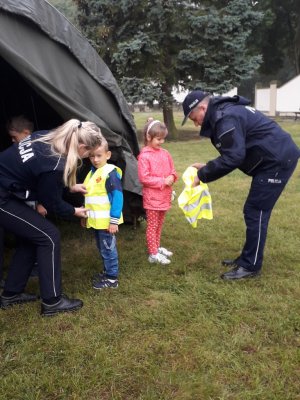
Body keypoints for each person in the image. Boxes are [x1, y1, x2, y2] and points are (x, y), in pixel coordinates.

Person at [182, 90, 300, 280]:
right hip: (271, 158)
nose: (196, 124)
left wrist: (202, 175)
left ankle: (251, 266)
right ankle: (247, 258)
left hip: (276, 161)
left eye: (194, 118)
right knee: (253, 209)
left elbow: (233, 157)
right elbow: (235, 150)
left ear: (203, 108)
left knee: (256, 210)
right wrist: (208, 167)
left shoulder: (225, 117)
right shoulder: (226, 112)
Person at [0, 119, 103, 315]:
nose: (87, 157)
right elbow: (51, 201)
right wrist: (74, 211)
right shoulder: (54, 163)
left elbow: (41, 177)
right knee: (49, 236)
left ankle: (11, 295)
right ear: (81, 147)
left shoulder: (47, 136)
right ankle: (52, 301)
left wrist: (70, 186)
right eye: (88, 153)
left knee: (33, 237)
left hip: (7, 187)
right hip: (3, 197)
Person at [81, 137, 123, 290]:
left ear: (108, 155)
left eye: (99, 155)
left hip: (106, 223)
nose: (95, 159)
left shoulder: (109, 173)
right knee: (103, 248)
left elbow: (118, 197)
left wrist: (113, 221)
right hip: (97, 222)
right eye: (92, 156)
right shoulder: (92, 173)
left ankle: (112, 279)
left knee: (108, 249)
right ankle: (107, 272)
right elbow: (89, 196)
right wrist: (85, 216)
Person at [138, 118, 178, 265]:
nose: (161, 142)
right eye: (158, 139)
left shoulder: (165, 153)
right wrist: (162, 181)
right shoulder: (144, 156)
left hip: (165, 196)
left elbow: (173, 170)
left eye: (163, 139)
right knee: (152, 225)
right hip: (152, 198)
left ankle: (157, 246)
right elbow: (144, 178)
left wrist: (172, 177)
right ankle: (153, 253)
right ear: (149, 137)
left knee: (159, 224)